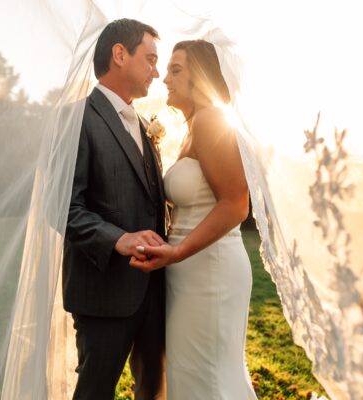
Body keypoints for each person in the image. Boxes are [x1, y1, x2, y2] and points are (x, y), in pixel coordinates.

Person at [130, 40, 258, 399]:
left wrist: (178, 251)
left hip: (210, 269)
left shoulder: (211, 120)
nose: (164, 78)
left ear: (199, 77)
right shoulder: (192, 127)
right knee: (192, 373)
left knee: (209, 377)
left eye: (176, 70)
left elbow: (235, 204)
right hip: (188, 268)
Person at [62, 18, 167, 400]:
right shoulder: (76, 118)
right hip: (102, 292)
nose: (156, 72)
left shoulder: (141, 122)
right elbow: (62, 207)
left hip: (154, 289)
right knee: (94, 392)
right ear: (119, 54)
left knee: (154, 390)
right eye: (151, 60)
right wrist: (118, 239)